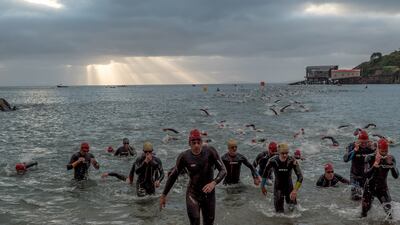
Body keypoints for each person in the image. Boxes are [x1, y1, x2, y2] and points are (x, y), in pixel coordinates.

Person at [160, 129, 226, 225]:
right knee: (195, 220)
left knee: (209, 223)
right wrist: (164, 195)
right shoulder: (184, 157)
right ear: (189, 143)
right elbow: (173, 176)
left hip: (209, 195)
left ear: (202, 142)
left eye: (198, 142)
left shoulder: (210, 152)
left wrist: (214, 182)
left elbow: (223, 170)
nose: (196, 145)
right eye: (193, 142)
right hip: (193, 194)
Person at [361, 138, 399, 218]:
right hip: (369, 188)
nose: (384, 154)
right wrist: (374, 165)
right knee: (364, 214)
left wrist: (392, 165)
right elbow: (366, 174)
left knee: (390, 214)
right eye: (382, 151)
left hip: (382, 188)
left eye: (386, 151)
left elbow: (396, 176)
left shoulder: (390, 158)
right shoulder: (369, 157)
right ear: (377, 149)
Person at [260, 143, 303, 213]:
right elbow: (265, 174)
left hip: (290, 189)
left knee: (294, 212)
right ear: (279, 152)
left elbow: (300, 177)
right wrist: (262, 186)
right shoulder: (272, 161)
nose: (285, 155)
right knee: (279, 214)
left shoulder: (292, 161)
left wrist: (295, 190)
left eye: (286, 153)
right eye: (283, 153)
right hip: (278, 189)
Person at [343, 130, 375, 200]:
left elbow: (377, 162)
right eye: (362, 142)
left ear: (368, 141)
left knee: (368, 198)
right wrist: (354, 150)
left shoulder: (371, 147)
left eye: (365, 142)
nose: (364, 144)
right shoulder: (352, 145)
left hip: (366, 176)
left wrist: (375, 150)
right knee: (355, 197)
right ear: (358, 140)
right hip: (355, 176)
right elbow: (345, 159)